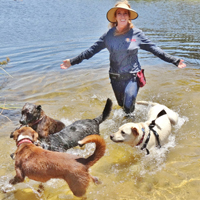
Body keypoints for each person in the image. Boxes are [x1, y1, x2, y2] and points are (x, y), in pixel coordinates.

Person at [60, 0, 186, 114]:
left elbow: (155, 49)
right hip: (115, 78)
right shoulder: (108, 36)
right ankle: (130, 125)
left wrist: (174, 61)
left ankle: (135, 133)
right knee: (124, 109)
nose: (122, 16)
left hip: (132, 77)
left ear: (129, 16)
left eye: (125, 13)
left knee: (127, 105)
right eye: (119, 13)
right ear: (115, 17)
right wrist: (72, 61)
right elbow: (90, 51)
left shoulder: (137, 34)